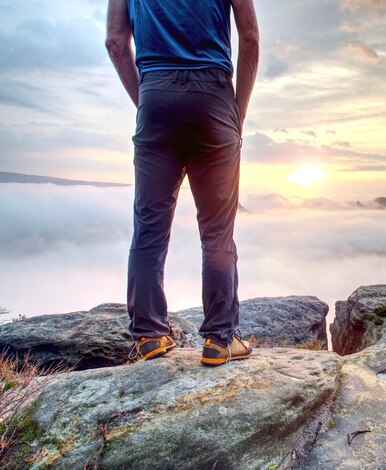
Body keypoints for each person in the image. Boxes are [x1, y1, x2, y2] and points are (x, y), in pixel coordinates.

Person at [105, 0, 259, 366]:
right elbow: (249, 38)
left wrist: (145, 101)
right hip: (214, 97)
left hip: (155, 95)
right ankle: (220, 340)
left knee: (149, 229)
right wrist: (237, 112)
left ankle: (149, 336)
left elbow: (115, 42)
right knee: (217, 231)